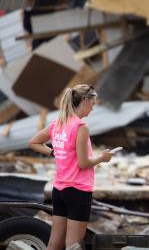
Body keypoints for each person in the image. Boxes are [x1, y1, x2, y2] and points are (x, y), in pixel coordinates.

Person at [29, 84, 112, 250]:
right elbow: (83, 163)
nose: (93, 109)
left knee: (54, 243)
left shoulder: (57, 123)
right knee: (73, 245)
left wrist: (55, 152)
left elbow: (33, 142)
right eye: (93, 104)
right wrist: (102, 158)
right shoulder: (81, 127)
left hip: (59, 190)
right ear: (86, 101)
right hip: (78, 190)